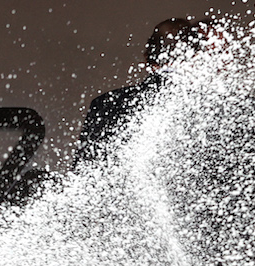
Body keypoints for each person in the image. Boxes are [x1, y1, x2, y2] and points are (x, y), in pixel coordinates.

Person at [73, 18, 194, 168]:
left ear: (147, 58)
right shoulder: (203, 109)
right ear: (195, 58)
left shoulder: (106, 103)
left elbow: (84, 170)